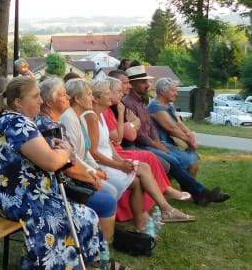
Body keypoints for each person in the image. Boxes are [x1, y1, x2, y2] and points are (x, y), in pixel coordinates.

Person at [0, 76, 103, 270]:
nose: (41, 101)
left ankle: (66, 264)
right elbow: (51, 162)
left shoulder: (10, 120)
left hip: (16, 195)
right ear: (18, 102)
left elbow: (45, 157)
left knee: (84, 214)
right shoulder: (17, 124)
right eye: (35, 96)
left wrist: (59, 152)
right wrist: (65, 151)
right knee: (66, 216)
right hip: (19, 198)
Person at [37, 76, 126, 270]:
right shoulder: (50, 125)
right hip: (58, 186)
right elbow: (66, 165)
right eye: (63, 95)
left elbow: (76, 156)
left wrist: (92, 173)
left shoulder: (57, 122)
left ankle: (100, 246)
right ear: (49, 102)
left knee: (108, 193)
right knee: (107, 200)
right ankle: (100, 254)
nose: (67, 97)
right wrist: (91, 176)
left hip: (64, 181)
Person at [87, 78, 194, 229]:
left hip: (112, 158)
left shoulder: (101, 114)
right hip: (101, 164)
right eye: (108, 92)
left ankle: (159, 211)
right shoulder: (92, 117)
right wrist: (119, 164)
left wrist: (120, 160)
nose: (116, 94)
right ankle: (163, 208)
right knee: (148, 164)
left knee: (146, 165)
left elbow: (111, 143)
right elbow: (97, 151)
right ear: (97, 97)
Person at [120, 66, 229, 206]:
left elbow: (151, 127)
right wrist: (156, 144)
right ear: (132, 84)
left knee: (177, 159)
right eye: (143, 82)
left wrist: (158, 142)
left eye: (147, 81)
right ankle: (201, 193)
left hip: (151, 143)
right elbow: (138, 133)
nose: (147, 85)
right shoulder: (128, 103)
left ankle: (200, 194)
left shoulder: (141, 101)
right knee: (174, 160)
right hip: (139, 145)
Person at [149, 77, 200, 174]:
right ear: (162, 92)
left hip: (172, 143)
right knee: (192, 161)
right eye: (173, 91)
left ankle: (187, 183)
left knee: (193, 159)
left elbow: (179, 123)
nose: (176, 94)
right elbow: (172, 129)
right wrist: (190, 141)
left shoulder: (169, 105)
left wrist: (190, 134)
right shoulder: (155, 107)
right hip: (162, 144)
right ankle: (188, 183)